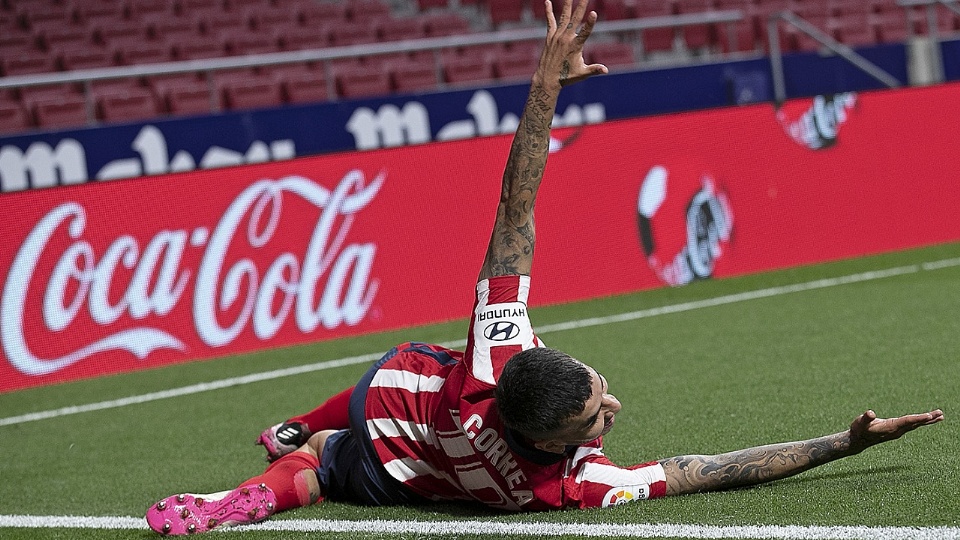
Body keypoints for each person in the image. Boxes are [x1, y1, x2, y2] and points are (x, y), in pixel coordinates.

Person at [145, 0, 944, 534]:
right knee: (327, 467)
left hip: (402, 400)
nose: (611, 410)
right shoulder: (568, 488)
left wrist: (544, 85)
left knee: (336, 432)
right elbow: (708, 472)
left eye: (595, 399)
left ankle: (285, 445)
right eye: (594, 414)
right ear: (542, 428)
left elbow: (514, 210)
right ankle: (295, 443)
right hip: (414, 476)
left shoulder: (492, 360)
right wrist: (843, 444)